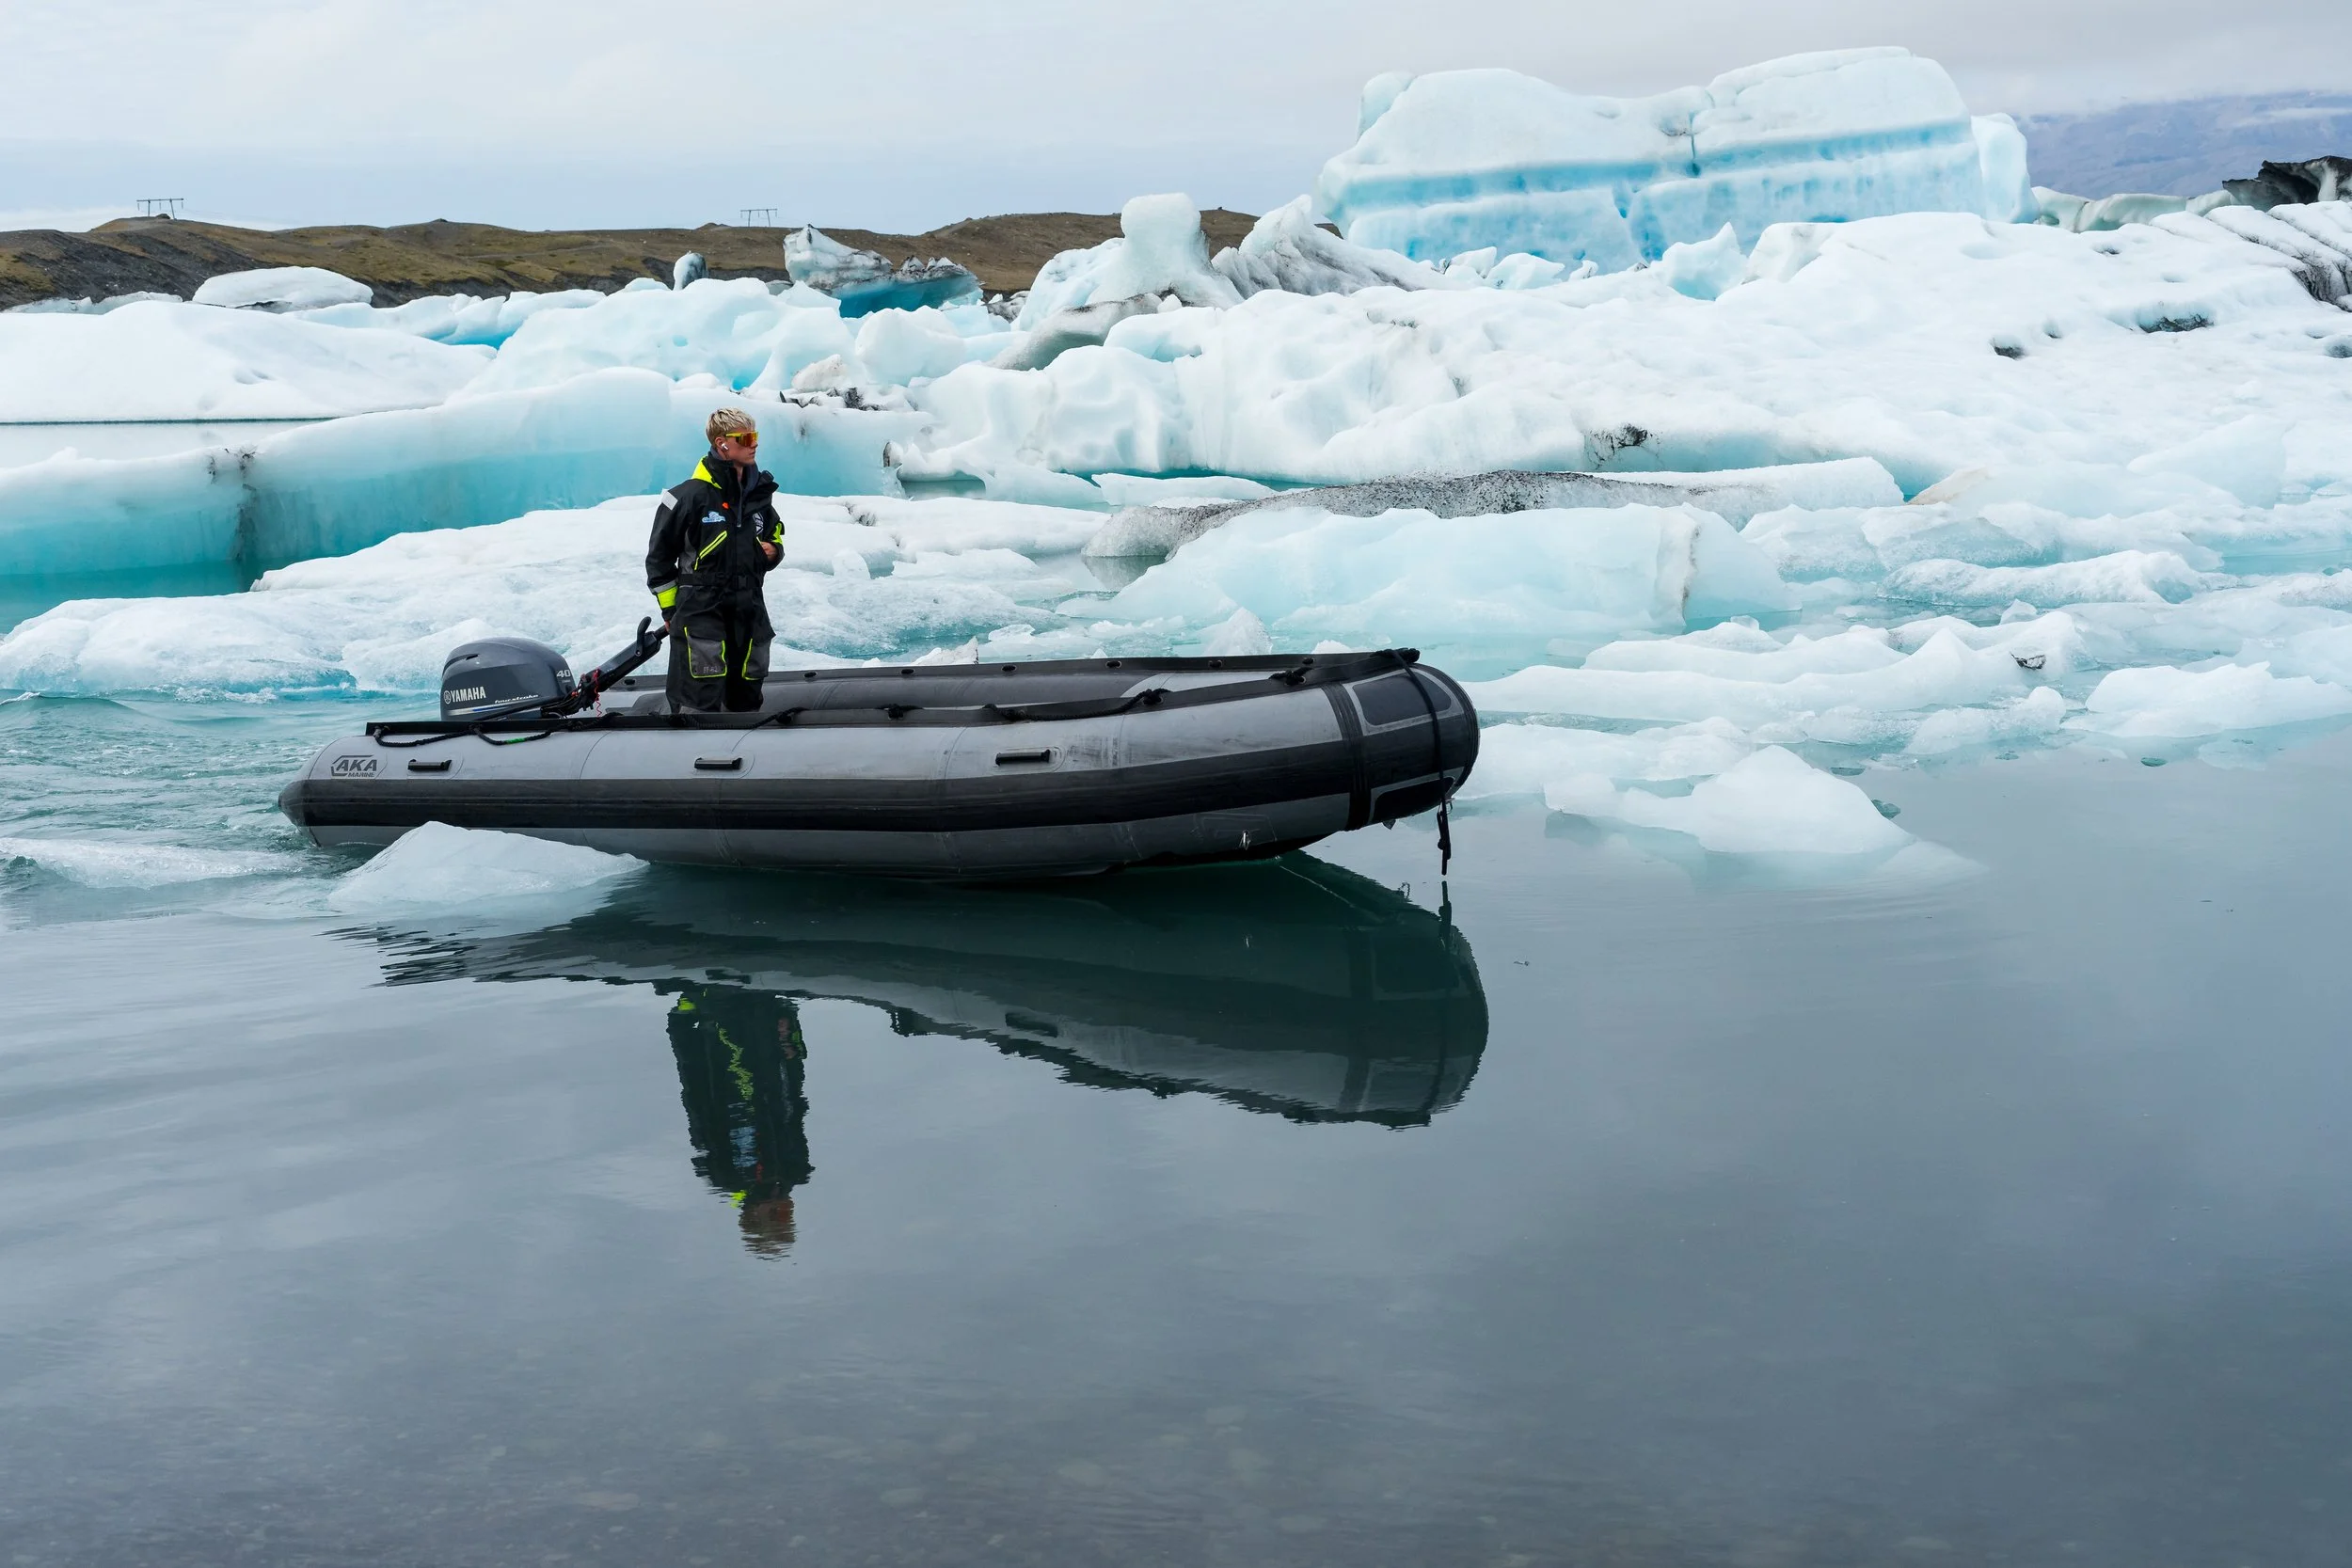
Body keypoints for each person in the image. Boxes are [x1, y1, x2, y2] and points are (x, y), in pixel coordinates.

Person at [645, 408, 784, 713]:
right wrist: (670, 609)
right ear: (722, 444)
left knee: (749, 685)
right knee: (701, 691)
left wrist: (774, 550)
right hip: (701, 608)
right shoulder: (685, 497)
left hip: (749, 607)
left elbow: (774, 531)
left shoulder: (759, 494)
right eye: (745, 438)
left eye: (755, 435)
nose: (754, 443)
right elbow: (658, 559)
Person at [664, 983, 813, 1257]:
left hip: (725, 1038)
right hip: (763, 1042)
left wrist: (681, 1024)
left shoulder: (725, 1175)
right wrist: (791, 1040)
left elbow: (696, 1098)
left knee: (730, 1003)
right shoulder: (794, 1170)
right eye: (786, 1215)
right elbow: (796, 1109)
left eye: (779, 1216)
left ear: (752, 1214)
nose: (785, 1208)